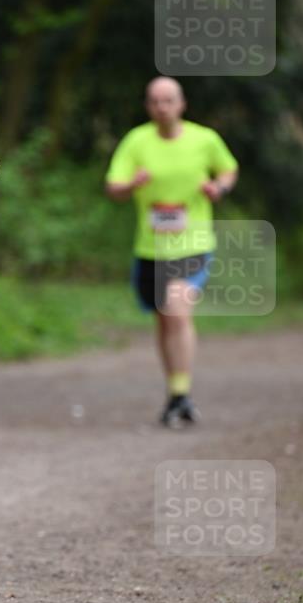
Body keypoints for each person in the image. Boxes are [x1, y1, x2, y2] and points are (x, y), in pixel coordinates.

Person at [105, 76, 238, 426]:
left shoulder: (204, 139)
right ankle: (176, 393)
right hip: (150, 248)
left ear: (182, 104)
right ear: (148, 106)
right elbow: (113, 186)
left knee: (177, 310)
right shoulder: (137, 141)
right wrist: (131, 185)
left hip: (193, 244)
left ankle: (181, 395)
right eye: (154, 101)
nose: (161, 107)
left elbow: (228, 169)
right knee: (164, 320)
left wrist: (218, 188)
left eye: (168, 100)